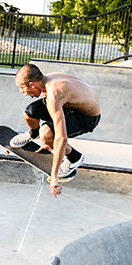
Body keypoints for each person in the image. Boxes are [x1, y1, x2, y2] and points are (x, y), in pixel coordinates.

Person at [10, 64, 101, 198]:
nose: (22, 92)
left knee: (46, 133)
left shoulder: (54, 93)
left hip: (86, 118)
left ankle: (75, 157)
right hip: (71, 105)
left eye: (22, 88)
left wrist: (54, 176)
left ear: (32, 84)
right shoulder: (47, 80)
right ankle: (32, 134)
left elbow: (61, 138)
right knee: (29, 114)